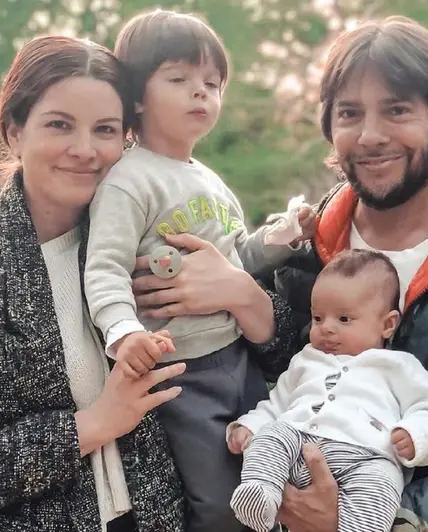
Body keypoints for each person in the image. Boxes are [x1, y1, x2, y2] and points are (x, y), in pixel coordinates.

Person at [132, 15, 428, 532]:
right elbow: (280, 388)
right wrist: (240, 298)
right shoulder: (305, 250)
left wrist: (362, 521)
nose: (370, 135)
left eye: (396, 110)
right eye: (350, 113)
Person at [0, 36, 187, 532]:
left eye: (105, 130)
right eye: (59, 125)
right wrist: (90, 426)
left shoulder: (153, 247)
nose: (84, 149)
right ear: (13, 132)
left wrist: (247, 299)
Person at [83, 9, 316, 532]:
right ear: (137, 97)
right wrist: (123, 333)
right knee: (219, 501)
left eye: (212, 84)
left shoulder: (209, 180)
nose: (200, 94)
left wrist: (277, 239)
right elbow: (104, 270)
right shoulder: (129, 180)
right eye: (180, 80)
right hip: (182, 373)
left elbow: (236, 263)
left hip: (239, 357)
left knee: (280, 466)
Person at [226, 249, 428, 532]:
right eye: (318, 318)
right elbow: (276, 404)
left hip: (365, 456)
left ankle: (358, 527)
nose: (327, 329)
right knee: (273, 434)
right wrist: (250, 425)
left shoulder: (398, 366)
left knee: (383, 480)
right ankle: (260, 493)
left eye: (344, 319)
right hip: (300, 443)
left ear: (387, 324)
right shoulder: (306, 360)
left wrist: (414, 435)